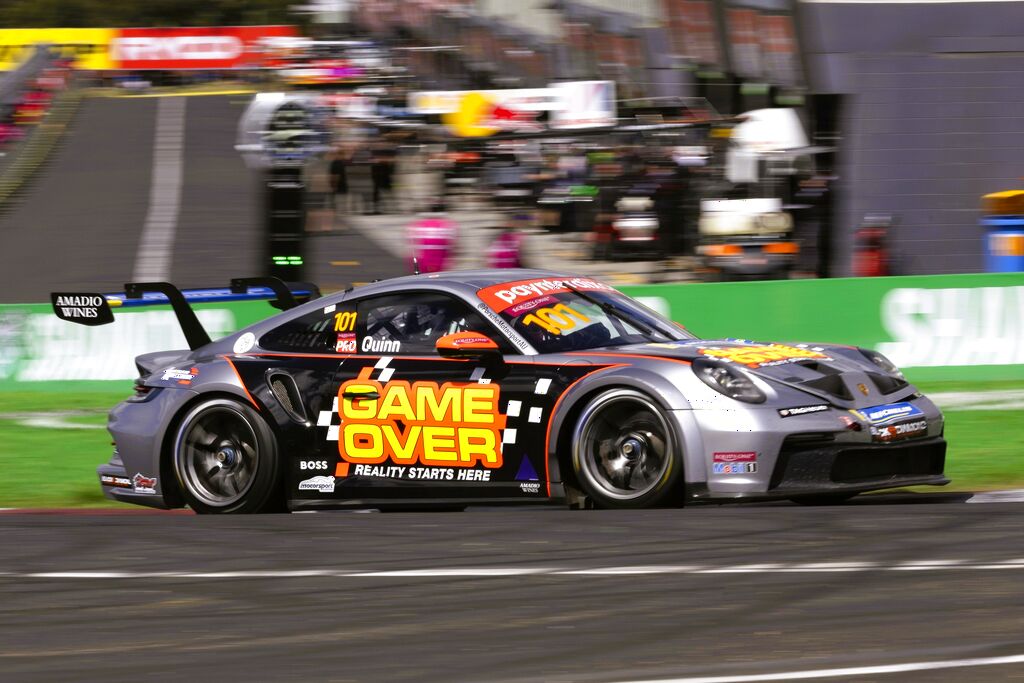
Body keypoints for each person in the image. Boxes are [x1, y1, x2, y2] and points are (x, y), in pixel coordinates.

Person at [407, 202, 457, 273]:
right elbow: (453, 247)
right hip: (440, 264)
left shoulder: (418, 225)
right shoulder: (448, 225)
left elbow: (412, 247)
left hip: (423, 263)